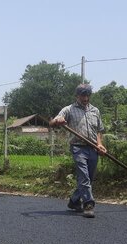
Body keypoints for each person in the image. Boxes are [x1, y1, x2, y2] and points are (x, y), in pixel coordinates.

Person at [49, 83, 106, 218]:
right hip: (78, 148)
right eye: (83, 96)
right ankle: (88, 204)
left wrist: (100, 144)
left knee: (89, 178)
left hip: (93, 148)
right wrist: (58, 120)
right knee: (84, 177)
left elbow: (99, 130)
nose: (85, 98)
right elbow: (52, 123)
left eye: (87, 95)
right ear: (77, 96)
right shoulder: (68, 109)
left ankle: (74, 201)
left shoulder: (95, 111)